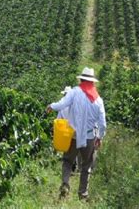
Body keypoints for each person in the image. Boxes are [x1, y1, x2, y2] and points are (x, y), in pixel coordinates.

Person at [46, 67, 106, 201]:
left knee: (67, 161)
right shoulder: (98, 99)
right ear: (92, 82)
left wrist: (51, 106)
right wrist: (100, 137)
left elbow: (62, 104)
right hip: (89, 137)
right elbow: (103, 123)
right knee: (86, 165)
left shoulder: (74, 92)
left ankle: (65, 185)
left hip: (73, 136)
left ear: (81, 80)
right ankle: (83, 194)